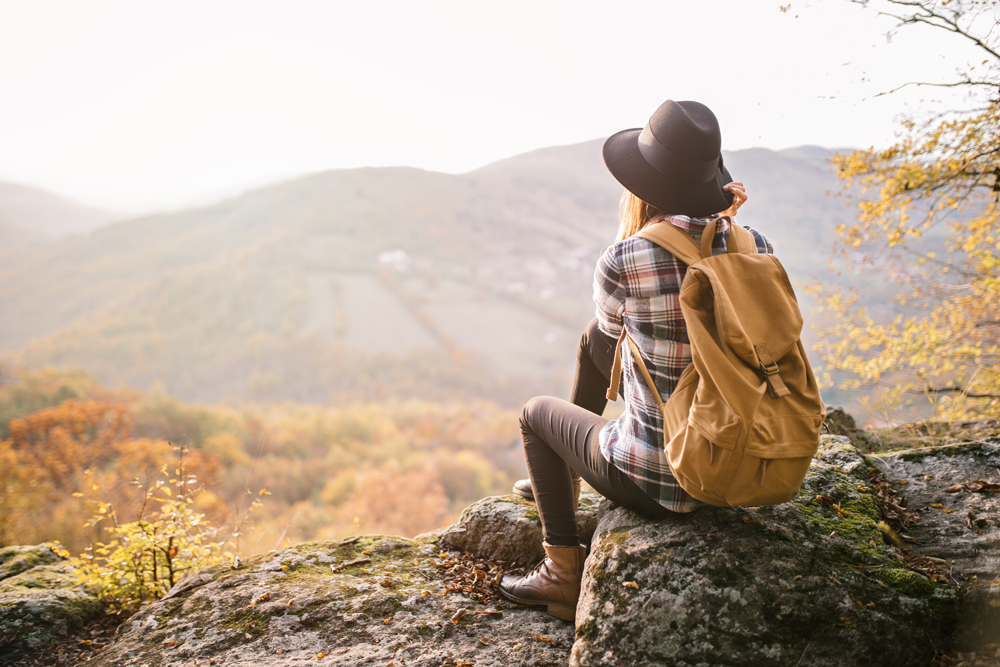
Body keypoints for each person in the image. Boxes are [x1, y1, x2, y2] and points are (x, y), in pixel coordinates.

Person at [499, 100, 772, 622]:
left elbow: (614, 340)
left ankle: (559, 571)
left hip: (661, 483)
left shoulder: (624, 259)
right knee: (591, 340)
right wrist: (725, 225)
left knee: (535, 412)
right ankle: (564, 471)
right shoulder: (755, 245)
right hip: (735, 464)